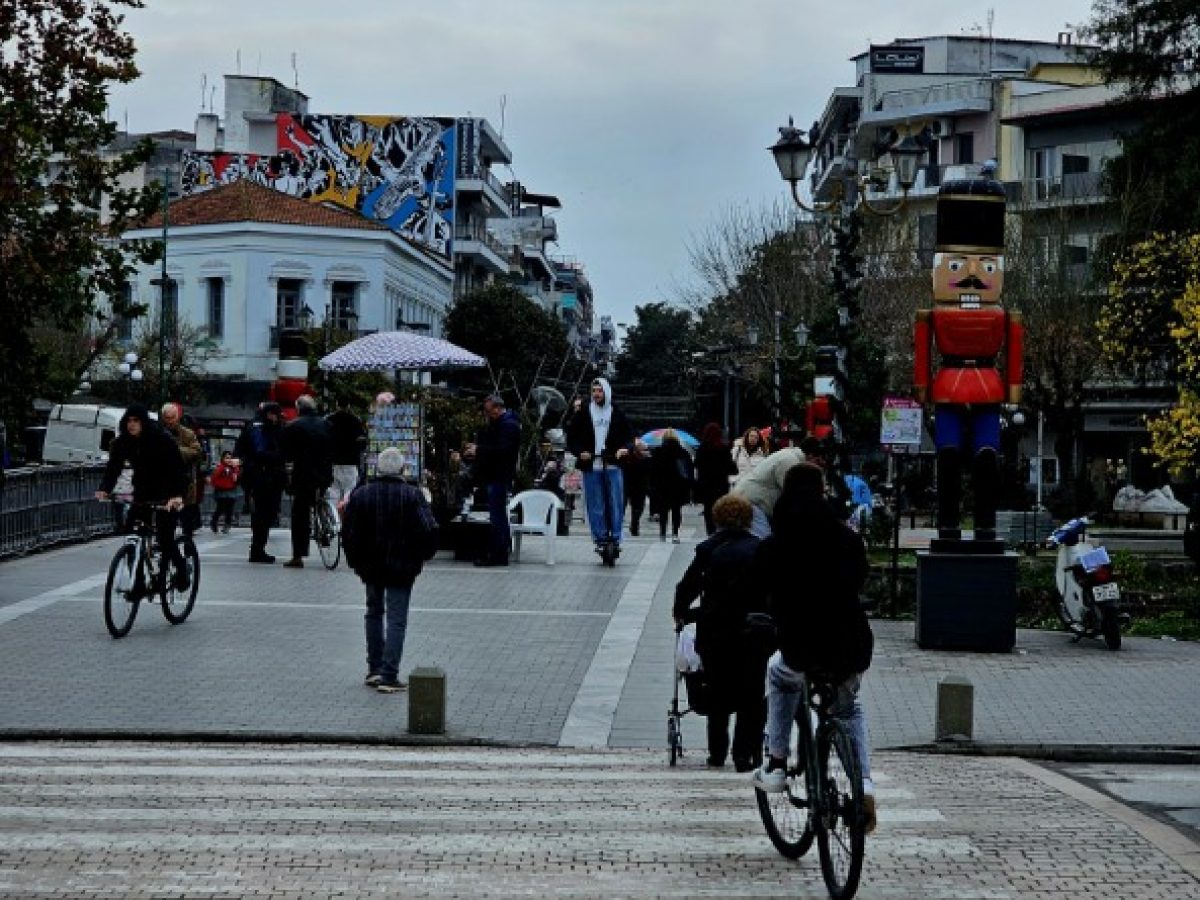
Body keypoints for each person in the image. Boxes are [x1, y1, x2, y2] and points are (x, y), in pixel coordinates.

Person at [751, 462, 877, 834]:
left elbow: (758, 589)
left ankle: (776, 761)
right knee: (848, 707)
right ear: (823, 492)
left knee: (780, 675)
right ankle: (864, 782)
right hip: (849, 645)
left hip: (802, 645)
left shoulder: (776, 544)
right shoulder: (847, 539)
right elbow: (859, 579)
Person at [673, 494, 769, 771]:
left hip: (715, 630)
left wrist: (681, 611)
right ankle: (743, 754)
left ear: (717, 518)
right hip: (754, 630)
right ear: (749, 519)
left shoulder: (707, 549)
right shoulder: (760, 549)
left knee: (718, 690)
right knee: (751, 694)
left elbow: (687, 586)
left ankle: (717, 752)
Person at [342, 447, 439, 693]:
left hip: (370, 565)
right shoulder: (412, 495)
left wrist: (355, 562)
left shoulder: (362, 495)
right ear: (402, 469)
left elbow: (349, 533)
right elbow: (429, 529)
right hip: (402, 566)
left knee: (373, 612)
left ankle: (374, 668)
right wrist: (422, 556)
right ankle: (389, 675)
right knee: (397, 619)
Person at [94, 403, 190, 591]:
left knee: (165, 538)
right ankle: (137, 582)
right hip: (143, 493)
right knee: (131, 534)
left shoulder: (161, 440)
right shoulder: (123, 442)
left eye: (136, 421)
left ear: (144, 422)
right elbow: (114, 467)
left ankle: (181, 569)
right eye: (129, 421)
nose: (132, 425)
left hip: (167, 493)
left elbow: (179, 470)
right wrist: (105, 488)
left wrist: (177, 495)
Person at [566, 378, 635, 554]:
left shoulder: (616, 412)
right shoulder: (584, 412)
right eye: (594, 390)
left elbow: (630, 437)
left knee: (615, 502)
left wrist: (623, 449)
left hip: (613, 464)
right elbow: (572, 437)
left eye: (600, 390)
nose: (596, 394)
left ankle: (617, 536)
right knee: (596, 504)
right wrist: (580, 452)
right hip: (592, 465)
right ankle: (600, 537)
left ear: (606, 392)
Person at [281, 394, 334, 568]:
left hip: (303, 474)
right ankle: (326, 526)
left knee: (300, 514)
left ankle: (298, 555)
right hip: (325, 473)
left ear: (298, 408)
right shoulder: (327, 424)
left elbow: (286, 453)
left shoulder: (293, 426)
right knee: (320, 498)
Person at [471, 394, 521, 567]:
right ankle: (500, 550)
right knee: (498, 514)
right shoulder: (503, 424)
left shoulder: (508, 426)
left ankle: (499, 553)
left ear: (498, 409)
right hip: (497, 475)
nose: (487, 415)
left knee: (497, 515)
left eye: (489, 411)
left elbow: (502, 450)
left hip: (499, 475)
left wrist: (479, 450)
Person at [242, 401, 287, 564]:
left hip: (257, 476)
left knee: (263, 513)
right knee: (265, 514)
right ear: (270, 415)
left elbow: (241, 450)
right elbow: (262, 452)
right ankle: (257, 549)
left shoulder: (252, 426)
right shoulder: (264, 429)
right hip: (267, 476)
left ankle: (258, 548)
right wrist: (280, 456)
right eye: (277, 416)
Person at [730, 445, 806, 538]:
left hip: (749, 500)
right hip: (753, 503)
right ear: (811, 456)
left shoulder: (787, 455)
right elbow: (793, 492)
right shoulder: (790, 461)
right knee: (759, 541)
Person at [160, 402, 203, 536]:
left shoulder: (187, 434)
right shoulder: (158, 432)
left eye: (172, 417)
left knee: (187, 521)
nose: (170, 421)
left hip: (185, 482)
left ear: (178, 417)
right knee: (166, 521)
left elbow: (196, 452)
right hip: (163, 483)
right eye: (167, 418)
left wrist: (176, 451)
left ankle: (188, 546)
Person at [694, 422, 737, 536]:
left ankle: (710, 533)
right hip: (721, 486)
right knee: (721, 510)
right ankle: (719, 532)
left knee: (708, 511)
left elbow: (697, 465)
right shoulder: (723, 449)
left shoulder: (702, 449)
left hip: (706, 486)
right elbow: (732, 469)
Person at [650, 429, 693, 543]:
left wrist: (652, 485)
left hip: (662, 486)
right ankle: (675, 534)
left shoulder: (658, 451)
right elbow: (689, 469)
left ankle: (662, 534)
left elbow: (652, 470)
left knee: (663, 511)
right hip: (678, 486)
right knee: (676, 510)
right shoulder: (683, 452)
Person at [326, 395, 367, 509]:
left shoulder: (329, 419)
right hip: (350, 462)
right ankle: (347, 518)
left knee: (334, 493)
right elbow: (362, 441)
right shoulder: (355, 420)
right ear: (348, 405)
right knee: (349, 492)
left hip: (333, 462)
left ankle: (334, 519)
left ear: (337, 404)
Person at [622, 439, 652, 536]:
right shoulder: (629, 457)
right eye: (644, 449)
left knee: (637, 507)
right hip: (631, 485)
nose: (646, 451)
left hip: (637, 486)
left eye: (646, 449)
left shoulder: (645, 459)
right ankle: (632, 525)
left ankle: (635, 524)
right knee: (630, 506)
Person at [209, 451, 242, 533]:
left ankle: (227, 524)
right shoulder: (220, 467)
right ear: (223, 458)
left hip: (231, 490)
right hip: (221, 491)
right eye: (227, 458)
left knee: (229, 509)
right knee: (220, 508)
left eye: (230, 458)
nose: (229, 460)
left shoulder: (234, 468)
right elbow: (215, 477)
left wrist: (236, 475)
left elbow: (237, 478)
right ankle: (214, 522)